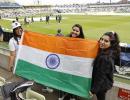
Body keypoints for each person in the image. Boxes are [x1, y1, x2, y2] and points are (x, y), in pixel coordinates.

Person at [90, 32, 120, 100]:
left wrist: (93, 90)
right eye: (101, 39)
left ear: (111, 44)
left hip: (102, 85)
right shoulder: (111, 52)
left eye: (106, 41)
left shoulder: (105, 58)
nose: (102, 42)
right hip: (105, 83)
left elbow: (100, 76)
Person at [58, 24, 85, 100]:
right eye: (73, 30)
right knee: (63, 81)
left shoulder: (83, 42)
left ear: (80, 32)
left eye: (77, 31)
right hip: (65, 65)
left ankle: (72, 97)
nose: (74, 32)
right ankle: (61, 96)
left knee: (73, 82)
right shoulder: (66, 38)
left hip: (75, 67)